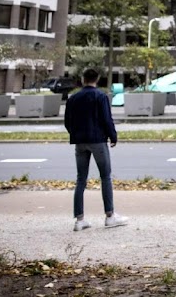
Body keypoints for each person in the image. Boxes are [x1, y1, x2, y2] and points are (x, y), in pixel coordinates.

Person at [64, 67, 128, 231]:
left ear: (83, 79)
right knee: (105, 177)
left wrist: (75, 133)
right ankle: (110, 216)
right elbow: (107, 118)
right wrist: (112, 136)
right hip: (98, 140)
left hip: (80, 141)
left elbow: (67, 122)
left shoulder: (73, 98)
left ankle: (79, 219)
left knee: (81, 179)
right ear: (97, 79)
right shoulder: (100, 96)